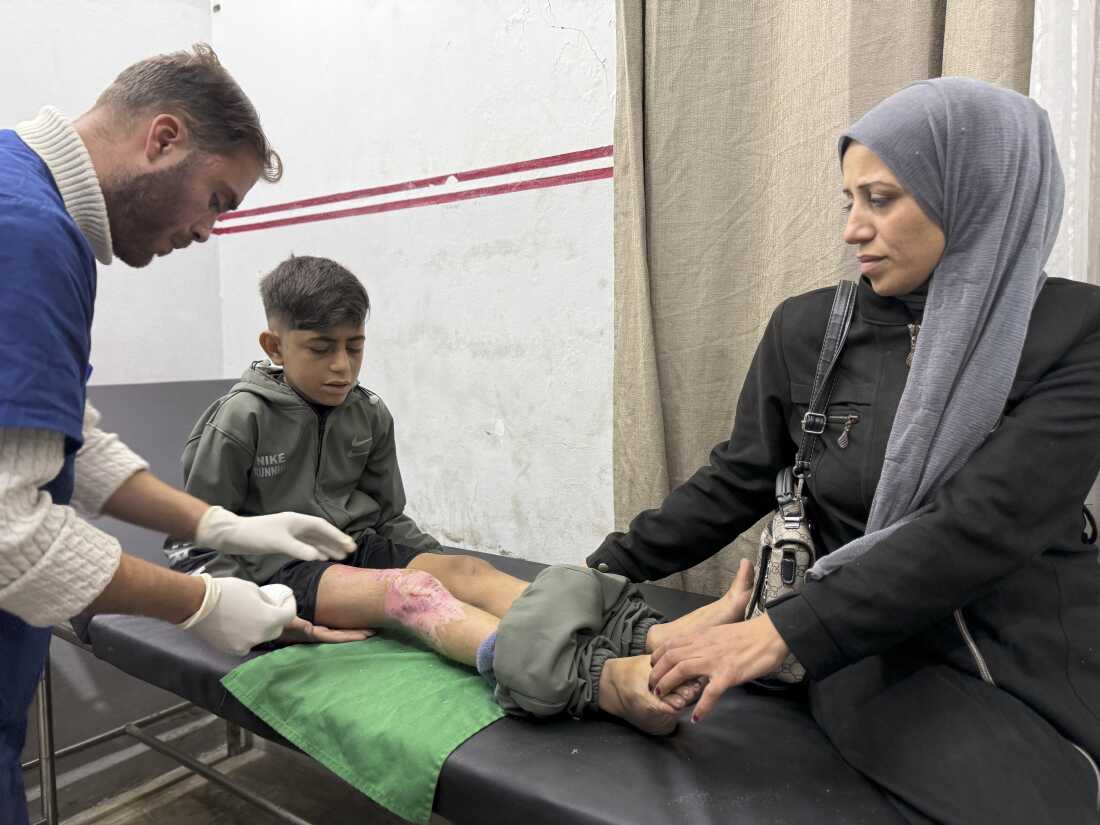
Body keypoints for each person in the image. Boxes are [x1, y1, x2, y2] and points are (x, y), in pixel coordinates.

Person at [588, 77, 1100, 824]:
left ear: (976, 194)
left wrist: (777, 632)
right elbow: (737, 479)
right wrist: (602, 572)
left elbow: (983, 522)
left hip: (1036, 648)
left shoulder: (1074, 333)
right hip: (875, 657)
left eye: (881, 199)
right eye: (849, 201)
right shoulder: (808, 333)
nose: (854, 229)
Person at [0, 46, 360, 824]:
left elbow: (68, 436)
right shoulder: (28, 232)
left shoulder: (23, 201)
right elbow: (11, 534)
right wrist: (201, 601)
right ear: (163, 139)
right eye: (216, 201)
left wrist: (218, 523)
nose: (206, 231)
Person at [178, 253, 741, 733]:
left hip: (356, 546)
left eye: (355, 346)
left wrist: (444, 564)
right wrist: (253, 614)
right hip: (281, 570)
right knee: (412, 594)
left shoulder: (367, 413)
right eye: (320, 348)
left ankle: (647, 634)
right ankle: (597, 680)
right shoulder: (241, 419)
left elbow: (388, 517)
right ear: (275, 346)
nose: (342, 366)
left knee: (465, 572)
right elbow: (196, 541)